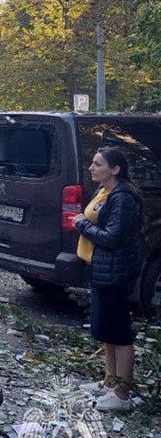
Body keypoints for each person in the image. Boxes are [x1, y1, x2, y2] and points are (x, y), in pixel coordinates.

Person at [73, 147, 143, 412]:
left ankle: (122, 394)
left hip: (116, 272)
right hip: (102, 270)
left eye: (98, 164)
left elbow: (113, 237)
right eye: (92, 162)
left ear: (115, 169)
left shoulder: (122, 196)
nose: (92, 167)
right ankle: (109, 382)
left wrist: (82, 225)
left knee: (119, 333)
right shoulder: (104, 191)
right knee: (106, 331)